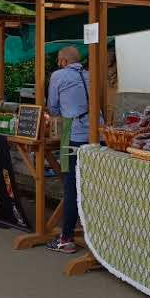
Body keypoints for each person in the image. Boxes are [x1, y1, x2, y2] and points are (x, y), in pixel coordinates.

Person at [45, 46, 99, 254]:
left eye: (59, 60)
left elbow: (53, 108)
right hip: (97, 133)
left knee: (70, 186)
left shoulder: (58, 76)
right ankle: (95, 234)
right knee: (93, 185)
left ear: (63, 61)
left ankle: (65, 237)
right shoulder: (90, 75)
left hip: (72, 133)